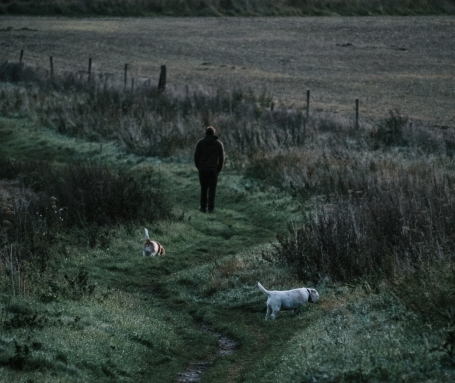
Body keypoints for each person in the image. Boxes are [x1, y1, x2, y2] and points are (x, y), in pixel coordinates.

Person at [194, 126, 225, 213]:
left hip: (203, 169)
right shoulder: (218, 144)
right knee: (212, 190)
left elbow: (196, 157)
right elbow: (221, 159)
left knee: (203, 189)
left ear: (206, 133)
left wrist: (199, 167)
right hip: (213, 170)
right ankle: (211, 208)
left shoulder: (200, 143)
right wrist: (218, 169)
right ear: (213, 133)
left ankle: (203, 207)